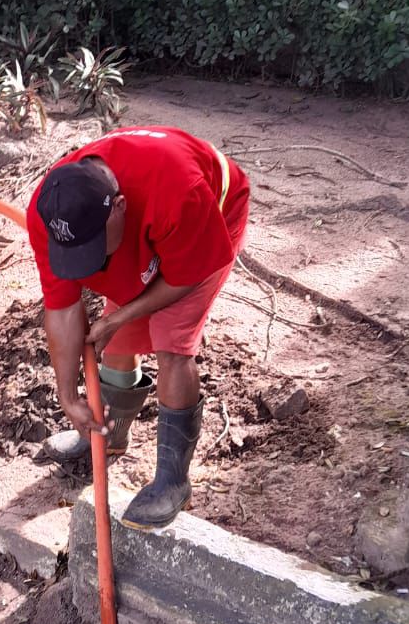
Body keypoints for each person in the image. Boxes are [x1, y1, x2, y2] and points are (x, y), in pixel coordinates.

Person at [26, 126, 250, 529]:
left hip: (209, 213)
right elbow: (61, 307)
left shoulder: (178, 193)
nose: (86, 265)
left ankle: (173, 481)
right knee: (118, 342)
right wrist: (67, 396)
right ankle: (109, 434)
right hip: (145, 223)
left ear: (118, 207)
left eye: (91, 249)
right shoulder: (53, 208)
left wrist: (119, 315)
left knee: (172, 344)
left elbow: (183, 278)